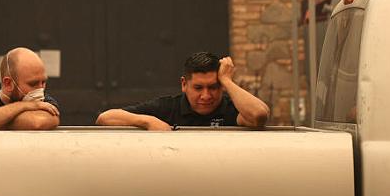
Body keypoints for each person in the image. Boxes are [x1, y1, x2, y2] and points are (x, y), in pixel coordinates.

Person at [95, 52, 269, 130]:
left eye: (213, 87)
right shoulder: (167, 107)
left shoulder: (232, 110)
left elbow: (259, 115)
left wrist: (227, 81)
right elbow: (105, 118)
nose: (206, 95)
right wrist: (147, 121)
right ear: (184, 84)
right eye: (198, 88)